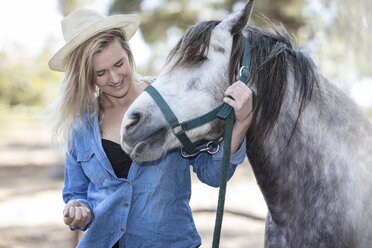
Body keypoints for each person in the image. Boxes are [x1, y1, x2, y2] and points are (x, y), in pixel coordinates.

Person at [48, 7, 254, 248]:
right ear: (85, 76)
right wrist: (77, 209)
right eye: (101, 73)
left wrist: (242, 123)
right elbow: (75, 194)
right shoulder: (81, 125)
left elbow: (212, 175)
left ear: (128, 52)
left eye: (119, 63)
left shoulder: (170, 104)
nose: (114, 78)